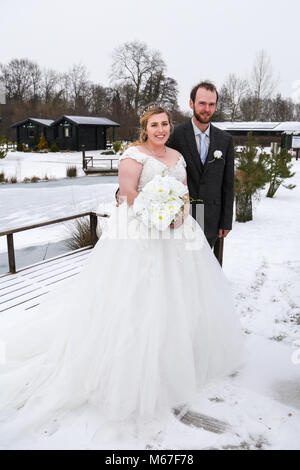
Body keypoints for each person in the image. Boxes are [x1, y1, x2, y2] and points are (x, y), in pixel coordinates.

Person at [0, 105, 245, 448]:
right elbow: (128, 193)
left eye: (164, 124)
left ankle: (175, 361)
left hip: (177, 233)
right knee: (136, 300)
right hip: (139, 234)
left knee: (179, 298)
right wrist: (156, 213)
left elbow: (186, 193)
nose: (160, 129)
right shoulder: (134, 154)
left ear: (169, 127)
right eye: (154, 125)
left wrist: (179, 213)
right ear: (145, 128)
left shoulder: (177, 155)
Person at [168, 81, 235, 248]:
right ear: (191, 103)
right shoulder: (174, 136)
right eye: (202, 103)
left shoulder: (225, 140)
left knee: (204, 269)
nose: (207, 109)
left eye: (211, 104)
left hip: (212, 218)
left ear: (216, 106)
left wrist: (226, 221)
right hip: (182, 216)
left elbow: (228, 184)